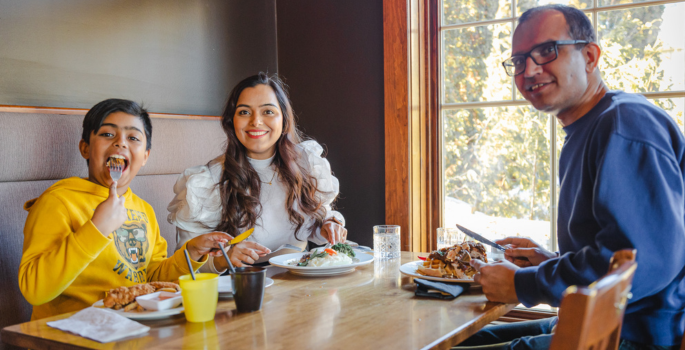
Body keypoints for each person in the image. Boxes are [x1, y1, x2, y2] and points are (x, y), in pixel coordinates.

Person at [458, 4, 685, 349]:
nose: (529, 70)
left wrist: (525, 285)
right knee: (461, 341)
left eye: (546, 51)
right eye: (519, 61)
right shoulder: (590, 128)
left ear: (590, 56)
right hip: (609, 321)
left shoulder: (624, 124)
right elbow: (616, 251)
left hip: (634, 334)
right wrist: (553, 262)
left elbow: (642, 263)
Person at [19, 99, 233, 320]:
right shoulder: (58, 202)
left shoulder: (144, 210)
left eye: (133, 138)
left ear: (145, 157)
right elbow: (34, 290)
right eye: (107, 134)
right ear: (85, 148)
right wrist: (97, 228)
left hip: (133, 327)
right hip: (71, 333)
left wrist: (192, 252)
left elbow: (152, 277)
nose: (120, 143)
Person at [168, 72, 346, 271]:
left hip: (300, 283)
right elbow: (184, 264)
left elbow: (315, 220)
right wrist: (222, 259)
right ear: (231, 121)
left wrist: (330, 224)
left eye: (268, 111)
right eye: (244, 112)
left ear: (284, 119)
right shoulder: (208, 181)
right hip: (241, 289)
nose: (256, 121)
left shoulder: (306, 164)